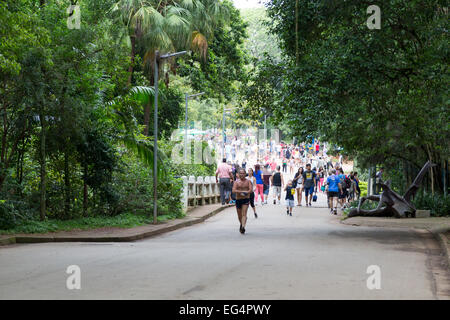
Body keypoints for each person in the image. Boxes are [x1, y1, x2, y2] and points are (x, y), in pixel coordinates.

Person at [232, 168, 253, 234]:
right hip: (238, 199)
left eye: (243, 173)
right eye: (240, 173)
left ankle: (243, 227)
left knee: (244, 213)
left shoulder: (248, 181)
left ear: (245, 174)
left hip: (246, 199)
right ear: (238, 174)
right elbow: (233, 190)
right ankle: (241, 224)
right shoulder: (236, 182)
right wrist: (241, 192)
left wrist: (246, 193)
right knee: (239, 215)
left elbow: (250, 190)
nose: (241, 174)